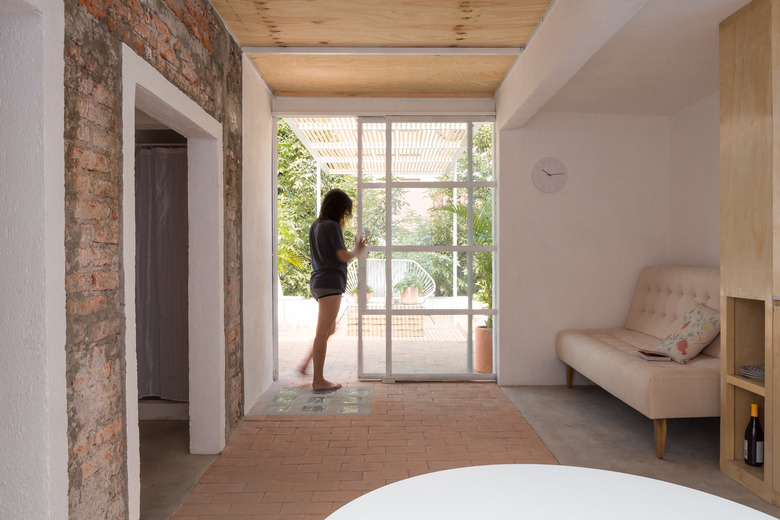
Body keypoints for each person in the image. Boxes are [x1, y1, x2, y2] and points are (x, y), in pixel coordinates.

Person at [299, 188, 367, 390]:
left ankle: (305, 365)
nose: (345, 216)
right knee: (322, 333)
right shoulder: (332, 226)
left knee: (330, 329)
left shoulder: (315, 225)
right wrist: (357, 248)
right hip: (330, 282)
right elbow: (343, 256)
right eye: (345, 211)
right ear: (339, 209)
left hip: (318, 282)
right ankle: (318, 380)